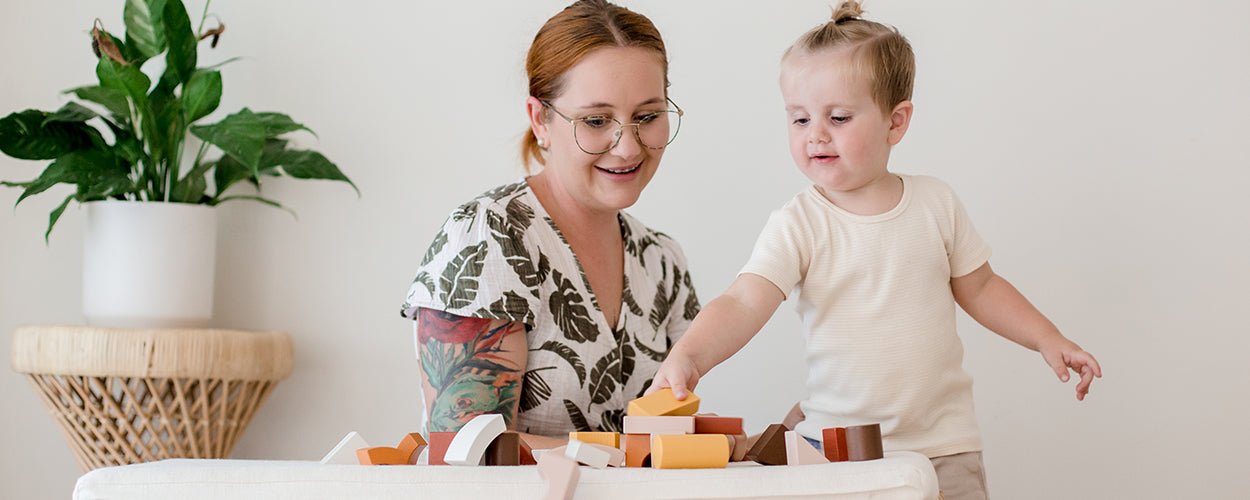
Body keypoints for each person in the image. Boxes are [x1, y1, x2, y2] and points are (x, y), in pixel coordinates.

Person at [647, 2, 1102, 498]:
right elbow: (743, 301)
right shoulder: (800, 223)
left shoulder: (936, 203)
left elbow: (983, 287)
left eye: (838, 117)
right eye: (799, 120)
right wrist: (690, 356)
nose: (815, 134)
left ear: (896, 122)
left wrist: (1046, 338)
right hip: (836, 450)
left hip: (942, 447)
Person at [401, 0, 699, 450]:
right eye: (596, 121)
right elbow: (467, 449)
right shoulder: (488, 238)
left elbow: (670, 431)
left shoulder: (662, 260)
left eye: (647, 117)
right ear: (540, 119)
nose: (627, 148)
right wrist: (626, 456)